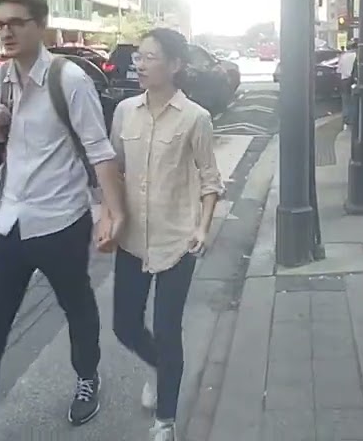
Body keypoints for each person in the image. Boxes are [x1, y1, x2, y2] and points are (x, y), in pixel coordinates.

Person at [0, 0, 126, 441]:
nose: (5, 32)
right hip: (5, 218)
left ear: (39, 26)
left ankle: (87, 375)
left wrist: (112, 212)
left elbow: (99, 149)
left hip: (60, 219)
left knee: (77, 306)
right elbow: (6, 148)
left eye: (15, 23)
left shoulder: (69, 80)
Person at [109, 28, 224, 441]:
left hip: (177, 240)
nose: (138, 64)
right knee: (124, 325)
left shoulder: (195, 118)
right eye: (137, 56)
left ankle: (166, 421)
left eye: (150, 57)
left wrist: (202, 227)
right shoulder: (124, 112)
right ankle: (161, 367)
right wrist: (109, 216)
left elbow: (211, 181)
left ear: (175, 65)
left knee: (167, 327)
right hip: (133, 240)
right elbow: (113, 172)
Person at [337, 41, 358, 127]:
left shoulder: (343, 56)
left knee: (345, 100)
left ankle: (346, 118)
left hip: (344, 79)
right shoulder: (356, 56)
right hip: (354, 80)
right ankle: (353, 118)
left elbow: (339, 70)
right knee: (354, 100)